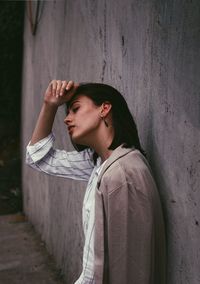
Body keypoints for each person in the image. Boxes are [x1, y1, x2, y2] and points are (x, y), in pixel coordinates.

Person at [26, 80, 166, 284]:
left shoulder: (122, 176)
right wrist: (50, 104)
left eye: (75, 109)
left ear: (105, 108)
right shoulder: (99, 163)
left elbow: (127, 268)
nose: (66, 119)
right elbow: (38, 159)